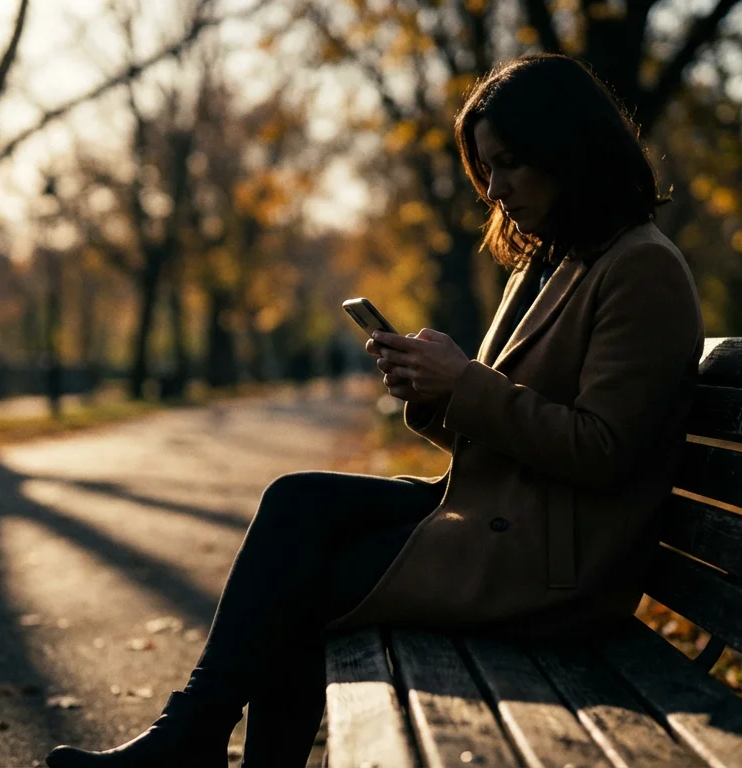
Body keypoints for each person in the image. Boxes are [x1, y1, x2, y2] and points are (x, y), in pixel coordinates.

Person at [45, 52, 703, 768]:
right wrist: (432, 392)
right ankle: (191, 731)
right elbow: (509, 427)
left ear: (569, 149)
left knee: (299, 596)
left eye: (510, 164)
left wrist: (464, 384)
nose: (495, 190)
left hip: (558, 569)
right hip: (509, 523)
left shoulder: (641, 266)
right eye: (485, 170)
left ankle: (189, 741)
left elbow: (604, 451)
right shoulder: (552, 261)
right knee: (297, 502)